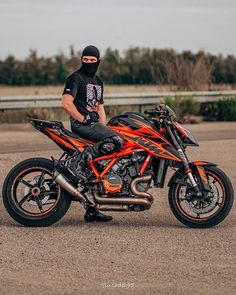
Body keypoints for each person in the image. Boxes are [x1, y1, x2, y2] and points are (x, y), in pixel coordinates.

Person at [61, 45, 124, 222]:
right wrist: (82, 119)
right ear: (81, 59)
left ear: (98, 61)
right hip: (81, 124)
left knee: (101, 164)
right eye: (85, 59)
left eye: (92, 60)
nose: (88, 62)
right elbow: (66, 103)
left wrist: (103, 127)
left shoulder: (98, 81)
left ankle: (92, 210)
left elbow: (100, 107)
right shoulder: (75, 78)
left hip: (93, 123)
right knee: (117, 139)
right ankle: (77, 161)